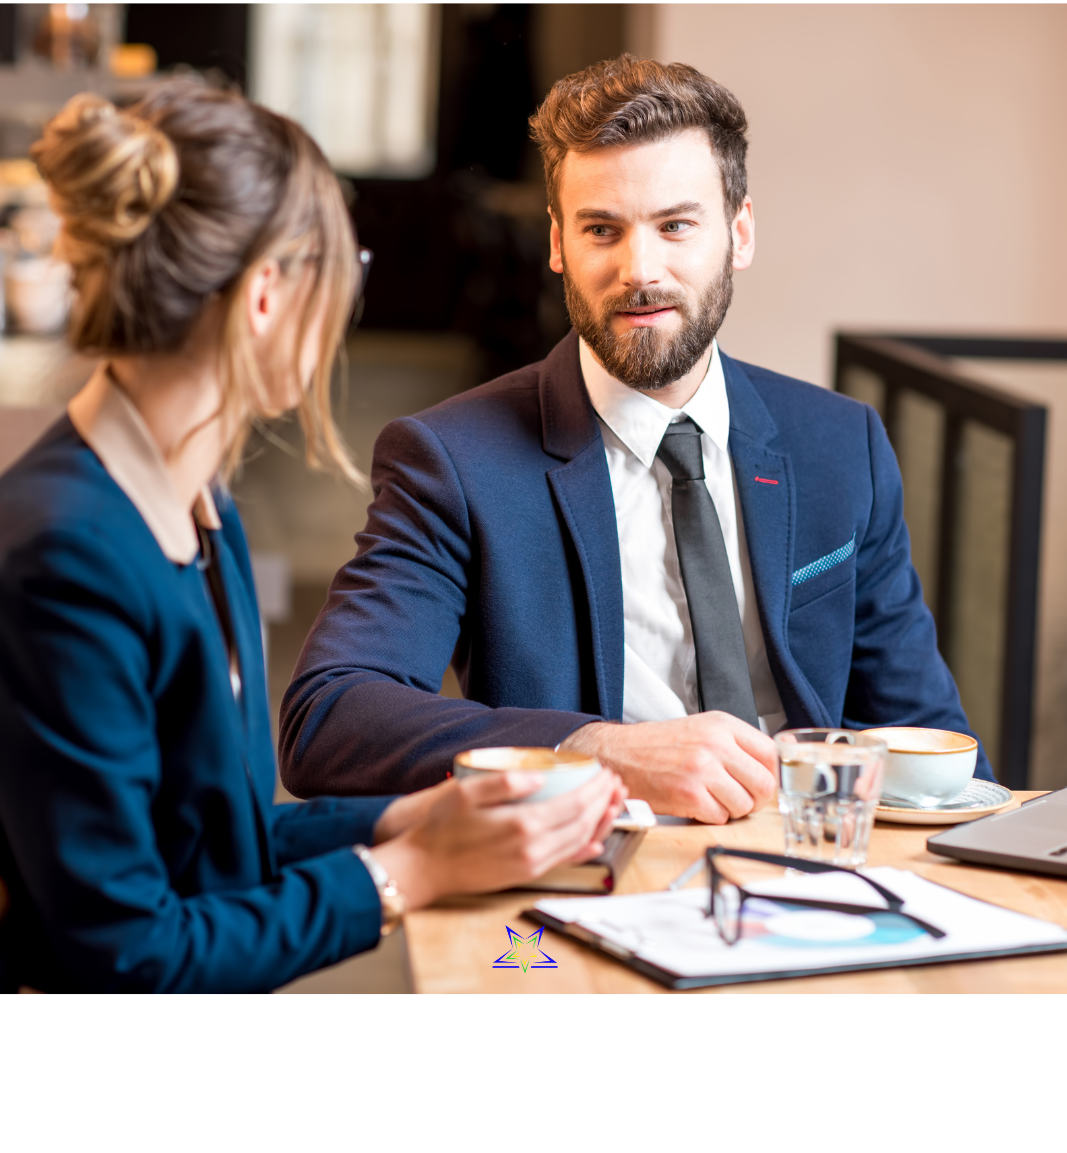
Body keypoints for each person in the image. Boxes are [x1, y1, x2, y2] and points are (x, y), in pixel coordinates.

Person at [0, 83, 623, 994]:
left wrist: (420, 818)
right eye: (344, 267)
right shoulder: (66, 557)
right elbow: (131, 959)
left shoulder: (194, 503)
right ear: (265, 294)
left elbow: (215, 847)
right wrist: (413, 872)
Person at [281, 55, 990, 821]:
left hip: (816, 869)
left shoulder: (840, 444)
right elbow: (329, 719)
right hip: (589, 872)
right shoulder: (452, 460)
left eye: (676, 225)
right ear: (559, 245)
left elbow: (930, 737)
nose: (639, 270)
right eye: (601, 230)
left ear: (739, 232)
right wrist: (595, 748)